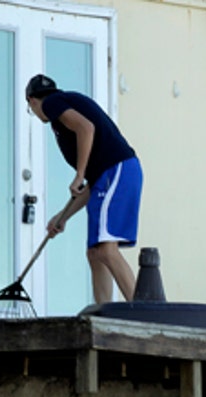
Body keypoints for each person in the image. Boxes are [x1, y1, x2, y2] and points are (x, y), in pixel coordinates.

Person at [25, 73, 141, 304]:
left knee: (107, 250)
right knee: (95, 253)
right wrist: (63, 216)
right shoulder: (63, 108)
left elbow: (86, 129)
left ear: (32, 101)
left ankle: (144, 311)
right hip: (111, 174)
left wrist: (78, 174)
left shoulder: (52, 103)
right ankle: (104, 314)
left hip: (118, 169)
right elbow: (93, 183)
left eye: (32, 108)